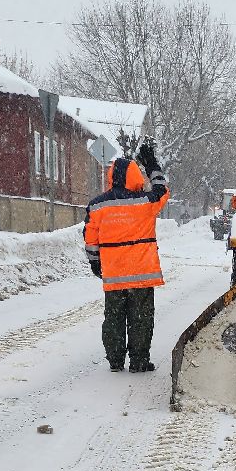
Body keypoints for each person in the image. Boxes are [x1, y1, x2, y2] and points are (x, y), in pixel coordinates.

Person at [83, 141, 170, 372]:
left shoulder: (97, 206)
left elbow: (90, 237)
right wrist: (151, 164)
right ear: (134, 176)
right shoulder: (145, 202)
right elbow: (162, 189)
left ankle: (115, 360)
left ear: (112, 177)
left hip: (113, 275)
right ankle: (139, 361)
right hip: (141, 274)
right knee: (140, 319)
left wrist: (95, 262)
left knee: (113, 318)